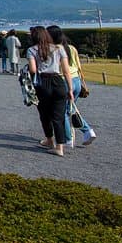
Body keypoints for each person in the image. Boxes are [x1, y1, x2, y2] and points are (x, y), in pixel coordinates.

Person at [48, 25, 97, 147]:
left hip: (64, 81)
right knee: (71, 108)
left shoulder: (54, 50)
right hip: (76, 80)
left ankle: (67, 138)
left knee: (62, 111)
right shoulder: (71, 48)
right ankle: (88, 131)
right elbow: (79, 66)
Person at [27, 25, 73, 156]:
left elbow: (33, 70)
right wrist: (70, 88)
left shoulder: (32, 50)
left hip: (43, 83)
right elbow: (66, 70)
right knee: (58, 117)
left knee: (44, 114)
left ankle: (49, 140)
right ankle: (60, 147)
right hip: (59, 82)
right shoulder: (59, 49)